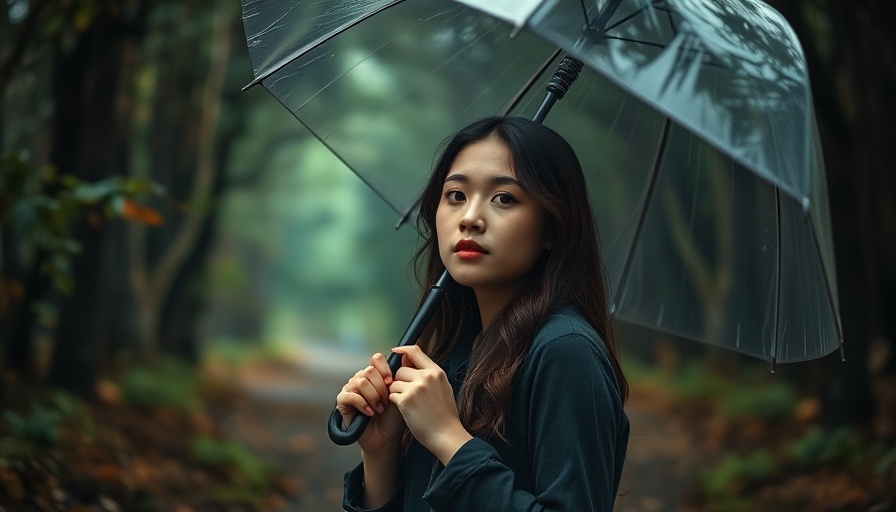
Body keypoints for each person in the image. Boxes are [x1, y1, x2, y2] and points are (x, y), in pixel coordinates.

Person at [335, 116, 629, 511]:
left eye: (504, 198)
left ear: (552, 230)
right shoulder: (457, 352)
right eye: (456, 195)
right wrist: (381, 452)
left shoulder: (566, 354)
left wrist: (449, 440)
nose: (469, 217)